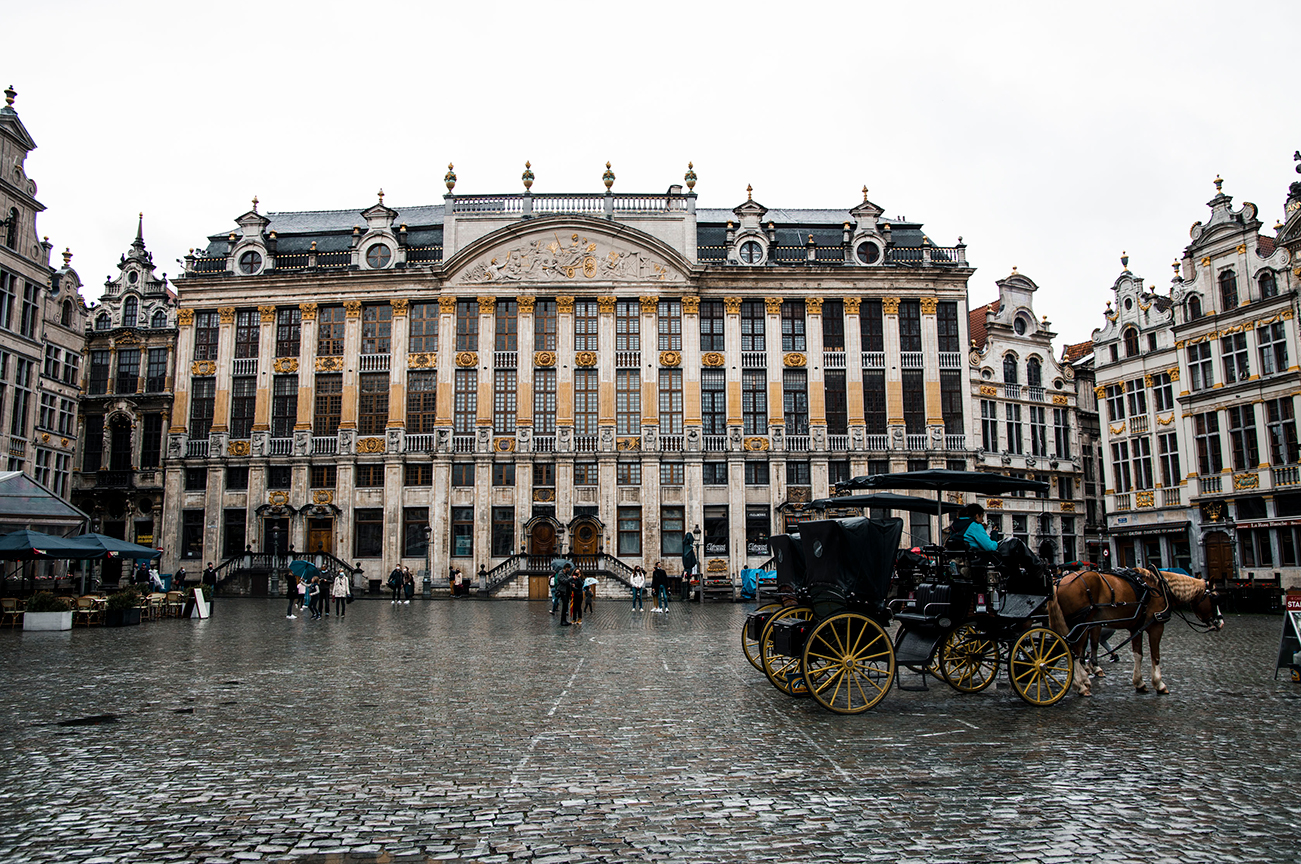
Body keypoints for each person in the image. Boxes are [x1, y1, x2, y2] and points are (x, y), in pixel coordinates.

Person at [946, 503, 1048, 593]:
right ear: (977, 515)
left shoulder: (957, 526)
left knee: (1008, 544)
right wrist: (994, 534)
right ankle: (1037, 568)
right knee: (1015, 543)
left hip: (972, 557)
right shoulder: (974, 525)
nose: (982, 520)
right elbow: (991, 547)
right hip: (983, 559)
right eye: (982, 517)